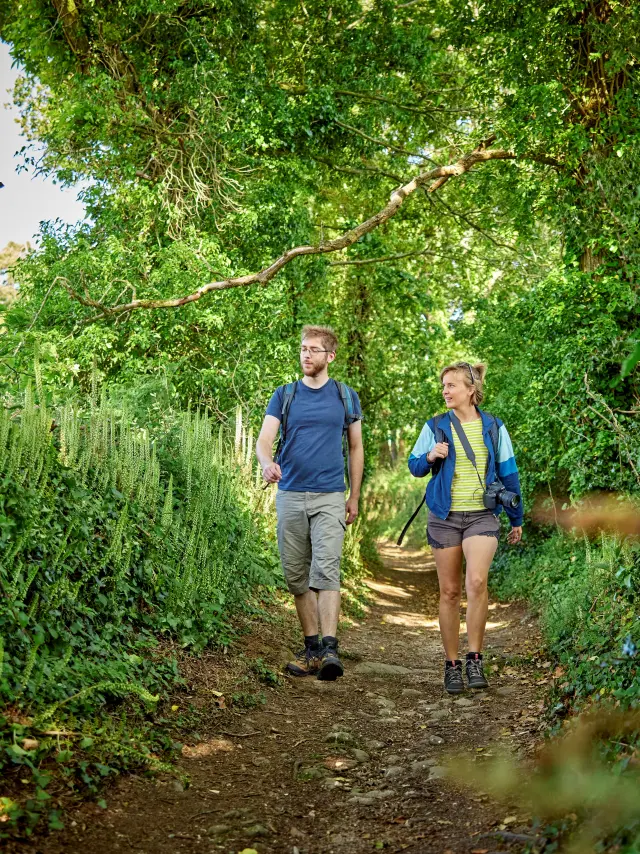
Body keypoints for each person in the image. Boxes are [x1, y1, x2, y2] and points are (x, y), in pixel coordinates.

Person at [256, 325, 364, 680]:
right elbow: (264, 440)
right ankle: (312, 649)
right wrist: (266, 463)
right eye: (303, 349)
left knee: (327, 569)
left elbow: (355, 447)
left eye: (313, 350)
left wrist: (355, 495)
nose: (305, 354)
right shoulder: (284, 395)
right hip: (290, 495)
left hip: (331, 495)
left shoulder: (345, 396)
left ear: (329, 356)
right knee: (296, 574)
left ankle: (331, 649)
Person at [408, 362, 523, 694]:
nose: (444, 391)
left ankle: (475, 658)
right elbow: (414, 466)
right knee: (449, 592)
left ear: (471, 390)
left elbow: (509, 474)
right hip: (444, 516)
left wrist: (517, 518)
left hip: (481, 516)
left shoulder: (494, 427)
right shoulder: (435, 426)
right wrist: (430, 456)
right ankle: (452, 665)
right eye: (443, 386)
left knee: (476, 581)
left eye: (451, 385)